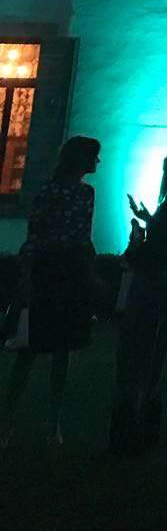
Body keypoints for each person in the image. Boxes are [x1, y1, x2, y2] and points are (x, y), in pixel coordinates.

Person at [0, 136, 101, 446]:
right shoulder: (58, 192)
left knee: (58, 350)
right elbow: (39, 233)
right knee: (32, 348)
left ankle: (50, 423)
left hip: (67, 271)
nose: (97, 162)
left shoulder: (83, 192)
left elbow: (78, 235)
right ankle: (12, 423)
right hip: (51, 270)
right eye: (93, 156)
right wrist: (28, 274)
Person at [110, 148, 167, 455]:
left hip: (151, 281)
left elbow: (155, 249)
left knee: (136, 352)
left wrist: (136, 239)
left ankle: (128, 428)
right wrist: (149, 219)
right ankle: (148, 424)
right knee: (154, 351)